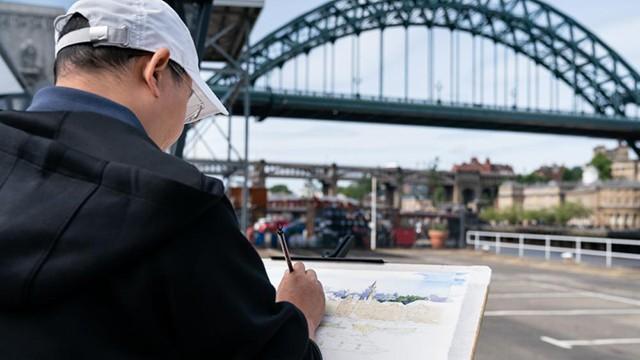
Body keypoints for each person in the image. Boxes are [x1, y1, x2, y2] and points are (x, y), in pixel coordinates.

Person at [0, 0, 325, 359]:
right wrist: (299, 316)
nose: (179, 128)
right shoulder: (183, 204)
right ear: (154, 71)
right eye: (188, 104)